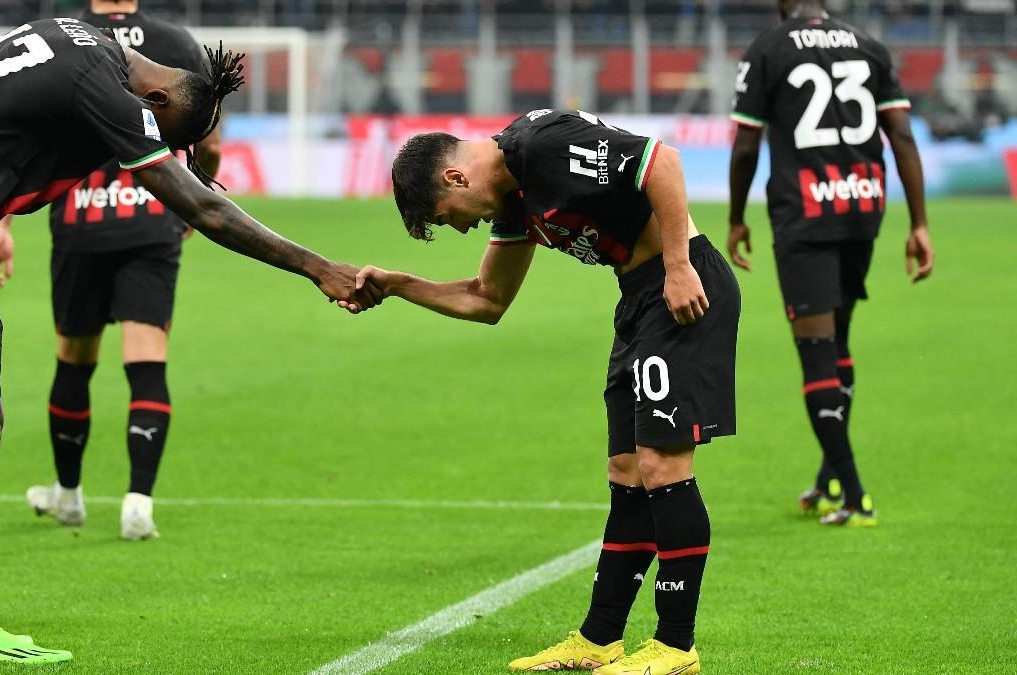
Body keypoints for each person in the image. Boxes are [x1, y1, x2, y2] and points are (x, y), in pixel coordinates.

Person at [0, 18, 378, 663]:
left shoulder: (79, 39)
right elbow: (204, 211)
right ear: (155, 104)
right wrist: (317, 267)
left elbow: (23, 119)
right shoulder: (104, 84)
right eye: (159, 136)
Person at [353, 108, 740, 674]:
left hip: (682, 290)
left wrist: (679, 265)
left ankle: (676, 648)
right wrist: (398, 285)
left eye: (448, 216)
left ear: (456, 178)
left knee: (662, 468)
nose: (460, 228)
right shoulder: (514, 198)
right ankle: (600, 639)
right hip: (638, 299)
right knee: (627, 470)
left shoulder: (542, 145)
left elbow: (662, 162)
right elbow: (488, 299)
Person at [20, 0, 223, 542]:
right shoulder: (174, 42)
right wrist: (195, 203)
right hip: (151, 214)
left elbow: (29, 125)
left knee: (74, 360)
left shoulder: (63, 32)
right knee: (147, 360)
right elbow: (210, 140)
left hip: (80, 215)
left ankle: (68, 496)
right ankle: (139, 503)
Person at [728, 0, 934, 526]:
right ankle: (829, 479)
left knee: (817, 351)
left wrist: (736, 218)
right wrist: (919, 223)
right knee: (838, 343)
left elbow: (747, 144)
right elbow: (903, 138)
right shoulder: (869, 46)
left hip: (806, 215)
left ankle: (855, 495)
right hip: (864, 205)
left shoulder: (767, 48)